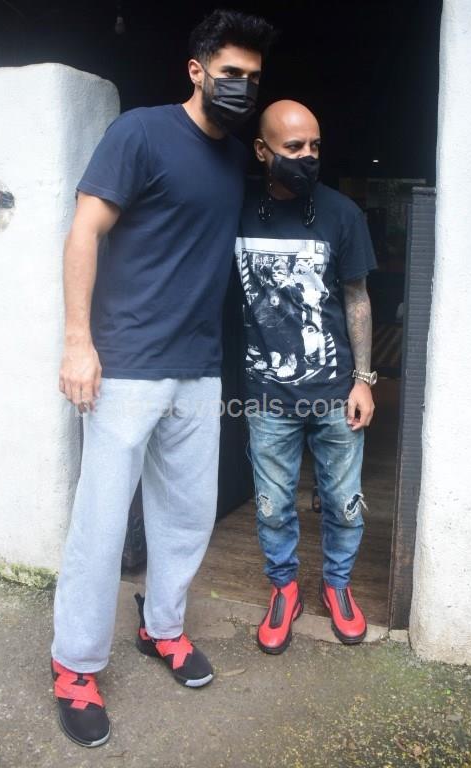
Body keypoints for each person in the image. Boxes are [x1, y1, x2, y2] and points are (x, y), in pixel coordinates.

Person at [51, 10, 275, 748]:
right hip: (124, 365)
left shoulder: (234, 159)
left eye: (252, 77)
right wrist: (78, 343)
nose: (241, 87)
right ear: (196, 70)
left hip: (198, 368)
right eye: (230, 73)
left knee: (185, 516)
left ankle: (162, 628)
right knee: (102, 522)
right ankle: (75, 664)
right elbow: (84, 231)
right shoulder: (140, 134)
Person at [235, 100, 377, 655]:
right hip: (267, 394)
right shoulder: (236, 210)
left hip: (336, 392)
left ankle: (337, 586)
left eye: (315, 146)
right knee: (272, 505)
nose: (307, 157)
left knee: (344, 503)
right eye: (294, 147)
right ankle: (284, 589)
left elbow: (357, 297)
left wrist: (364, 379)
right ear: (262, 150)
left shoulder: (342, 213)